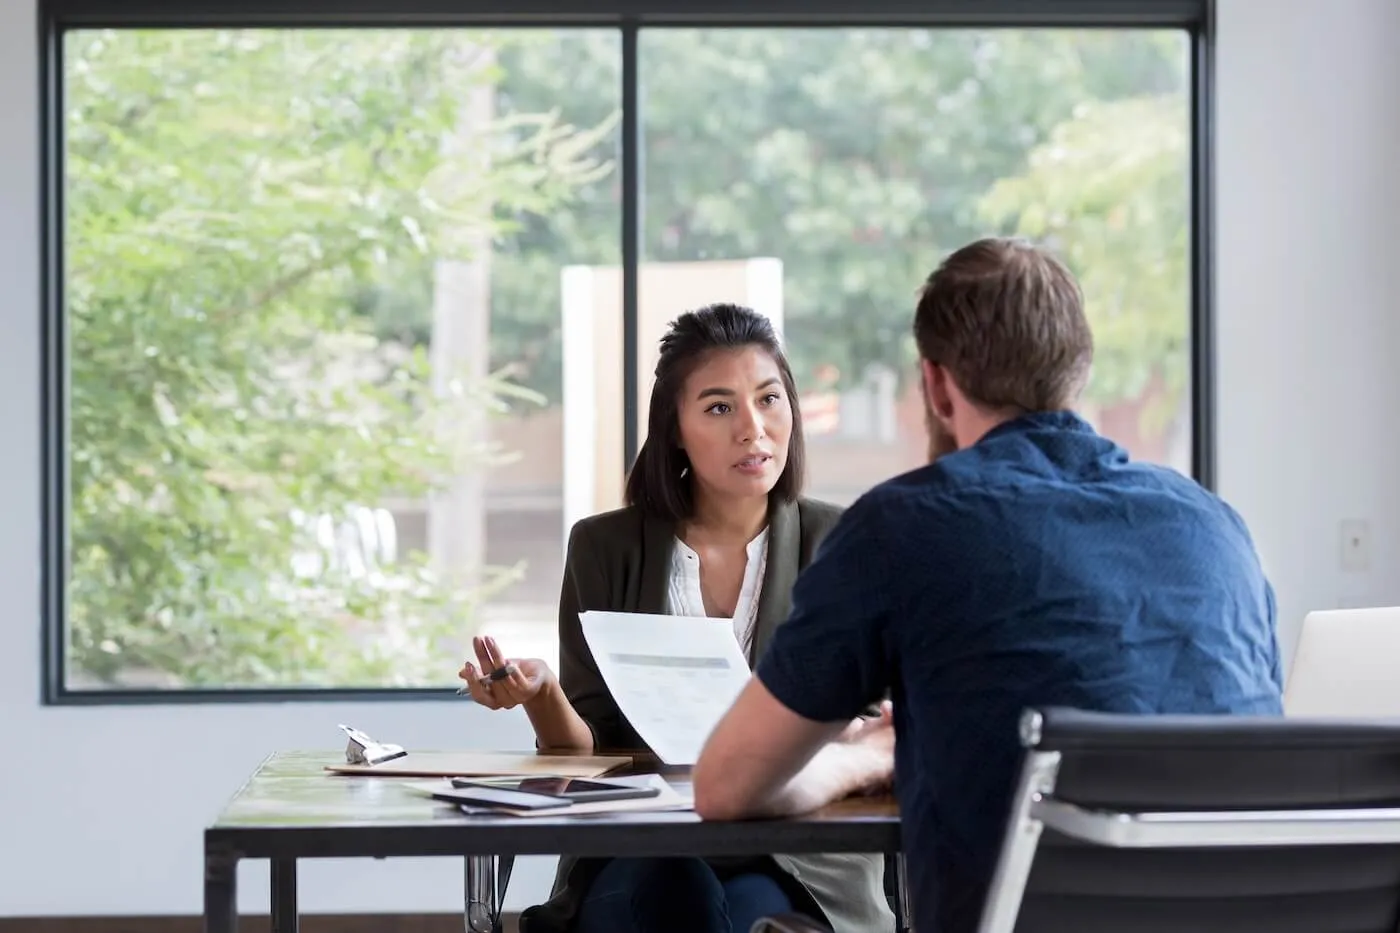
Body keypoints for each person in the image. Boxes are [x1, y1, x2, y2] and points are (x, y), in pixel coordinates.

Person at [693, 238, 1284, 933]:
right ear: (1077, 371)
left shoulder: (903, 527)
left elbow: (725, 786)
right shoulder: (1216, 526)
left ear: (937, 384)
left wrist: (867, 759)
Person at [458, 303, 896, 933]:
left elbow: (880, 731)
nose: (754, 428)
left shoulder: (844, 543)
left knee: (747, 910)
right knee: (673, 888)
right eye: (719, 408)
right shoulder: (605, 548)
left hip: (794, 855)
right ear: (674, 429)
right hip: (642, 847)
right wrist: (543, 692)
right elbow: (583, 752)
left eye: (769, 399)